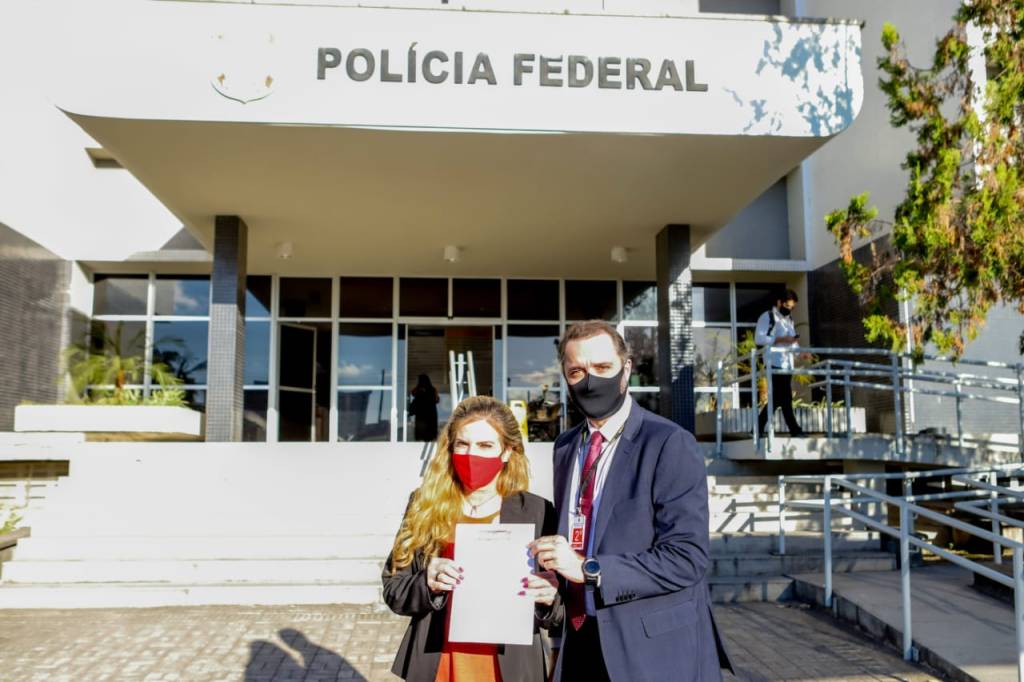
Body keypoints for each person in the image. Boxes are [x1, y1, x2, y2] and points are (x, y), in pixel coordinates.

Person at [530, 321, 733, 682]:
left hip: (651, 652)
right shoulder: (565, 446)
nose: (590, 381)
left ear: (625, 370)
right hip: (580, 641)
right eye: (576, 371)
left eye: (602, 367)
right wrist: (555, 588)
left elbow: (687, 557)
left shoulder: (669, 443)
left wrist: (590, 570)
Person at [382, 395, 562, 682]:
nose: (471, 454)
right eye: (462, 444)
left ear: (507, 451)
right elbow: (394, 590)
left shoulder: (537, 511)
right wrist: (427, 582)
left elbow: (562, 610)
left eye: (485, 445)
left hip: (510, 668)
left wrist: (550, 598)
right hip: (441, 663)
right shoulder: (424, 504)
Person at [755, 289, 806, 437]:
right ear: (779, 302)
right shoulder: (767, 317)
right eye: (787, 306)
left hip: (787, 365)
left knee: (778, 398)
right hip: (773, 362)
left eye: (792, 307)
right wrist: (779, 339)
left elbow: (793, 341)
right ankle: (795, 429)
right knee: (785, 397)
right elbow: (759, 338)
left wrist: (801, 353)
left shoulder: (789, 320)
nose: (789, 309)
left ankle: (757, 427)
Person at [410, 374, 440, 442]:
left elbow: (437, 400)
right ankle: (427, 439)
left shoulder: (430, 389)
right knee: (426, 428)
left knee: (425, 428)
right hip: (428, 412)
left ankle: (425, 439)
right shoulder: (432, 389)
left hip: (424, 413)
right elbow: (437, 400)